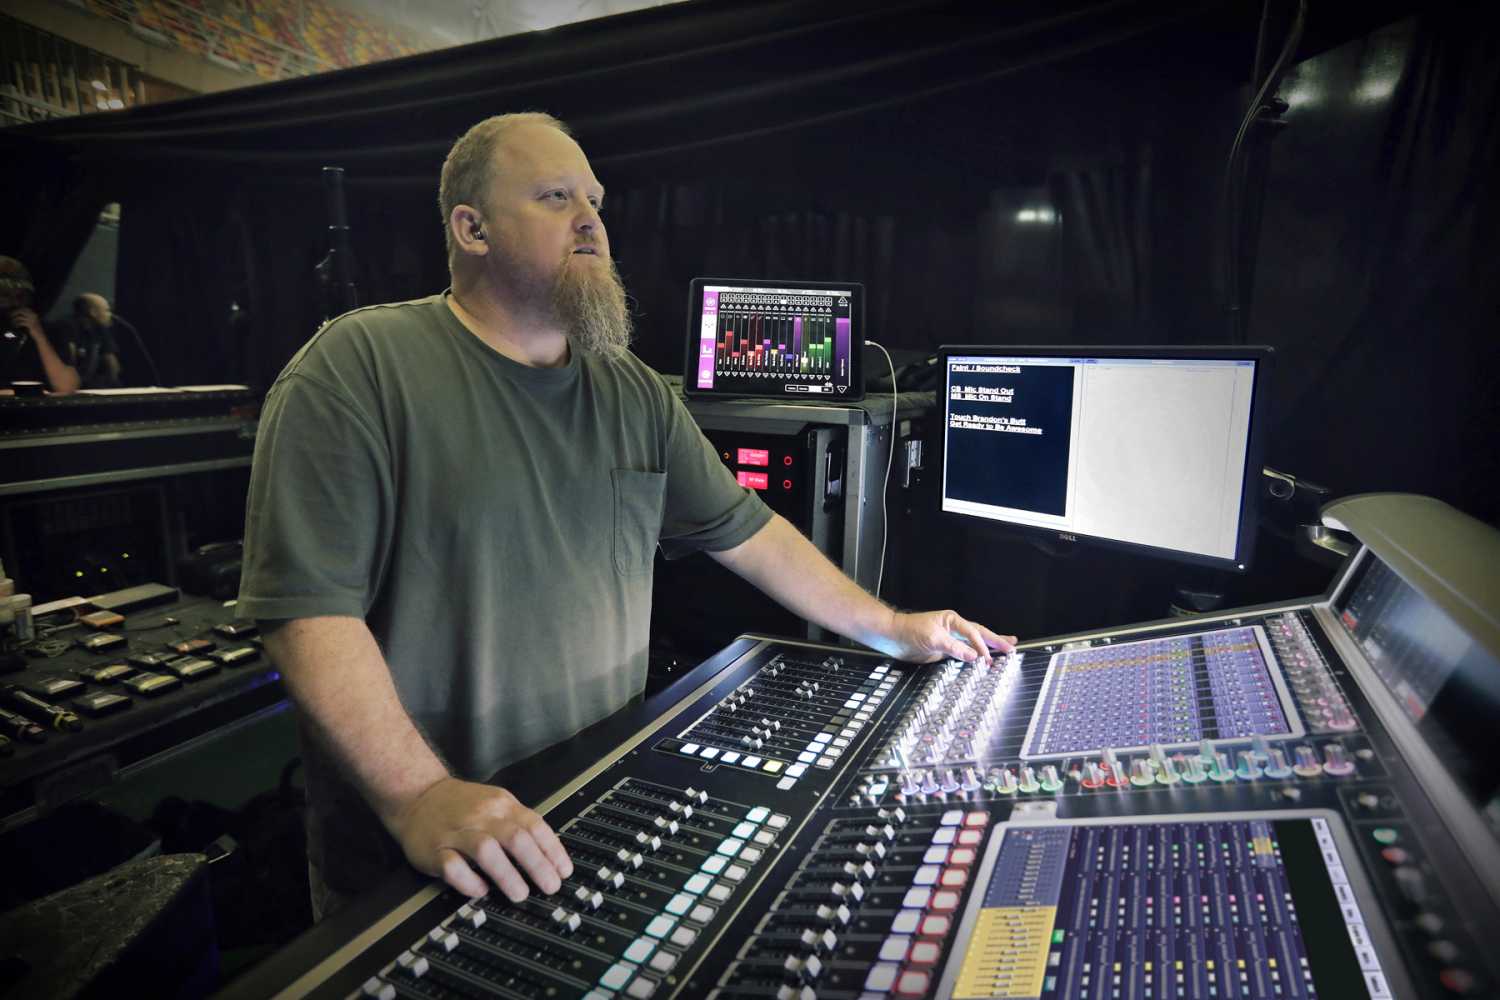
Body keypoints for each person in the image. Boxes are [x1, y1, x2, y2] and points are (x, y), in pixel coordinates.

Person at [237, 112, 1016, 921]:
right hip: (431, 847)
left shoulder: (632, 389)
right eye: (553, 196)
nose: (590, 221)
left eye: (595, 200)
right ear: (471, 228)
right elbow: (306, 613)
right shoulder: (357, 368)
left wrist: (891, 627)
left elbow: (746, 530)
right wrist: (418, 796)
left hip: (586, 806)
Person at [0, 256, 80, 394]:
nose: (15, 302)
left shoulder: (52, 331)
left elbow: (66, 387)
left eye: (21, 296)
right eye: (5, 295)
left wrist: (39, 336)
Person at [55, 293, 124, 389]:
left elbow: (112, 363)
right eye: (107, 310)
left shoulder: (101, 329)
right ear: (93, 312)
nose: (110, 315)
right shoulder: (66, 327)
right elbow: (69, 362)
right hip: (69, 386)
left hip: (92, 386)